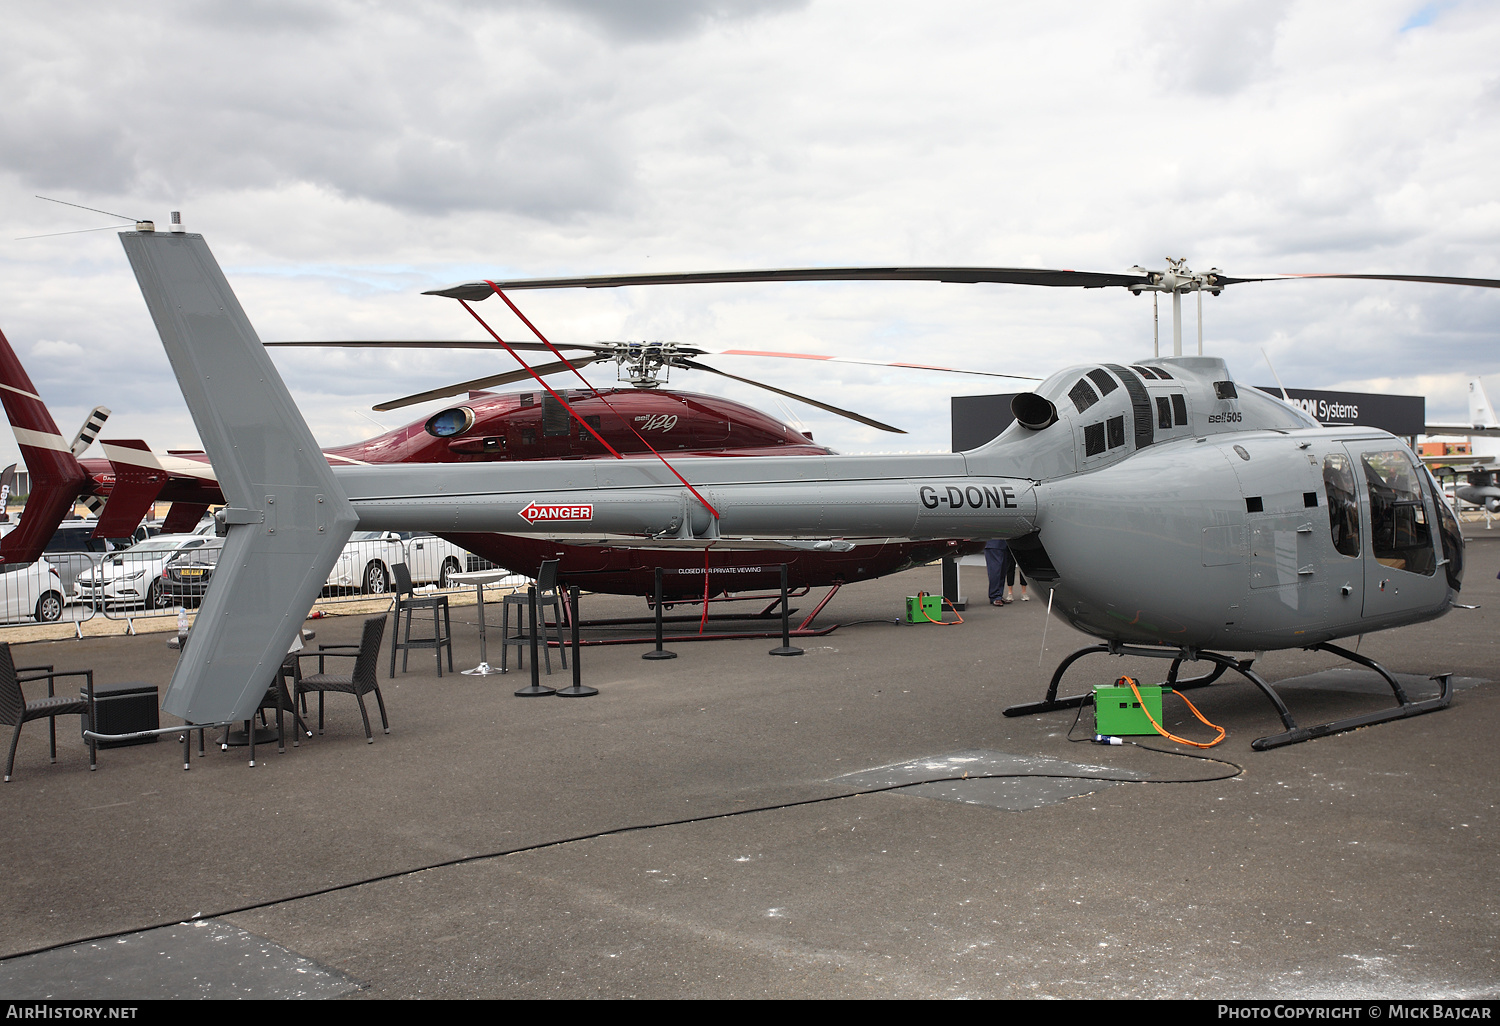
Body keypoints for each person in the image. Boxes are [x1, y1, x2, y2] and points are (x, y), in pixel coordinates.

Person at [984, 539, 1029, 606]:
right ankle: (995, 596)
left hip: (1003, 544)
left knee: (1002, 571)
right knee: (995, 571)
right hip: (994, 544)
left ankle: (998, 595)